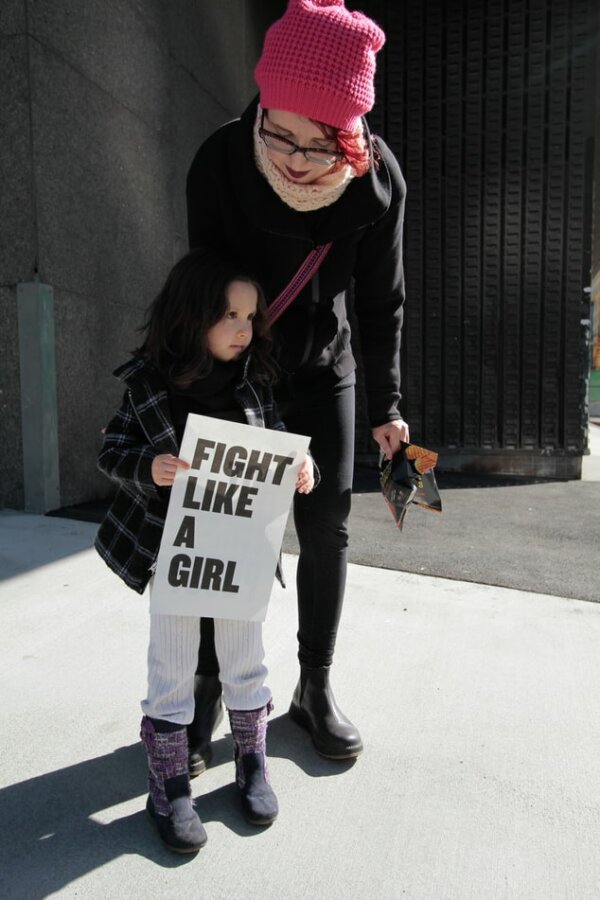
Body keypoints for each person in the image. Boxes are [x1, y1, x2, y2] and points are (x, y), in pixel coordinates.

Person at [185, 0, 409, 766]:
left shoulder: (378, 185)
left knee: (327, 525)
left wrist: (389, 407)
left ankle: (314, 685)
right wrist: (209, 396)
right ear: (262, 104)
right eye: (279, 131)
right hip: (239, 369)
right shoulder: (220, 162)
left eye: (320, 143)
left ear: (352, 136)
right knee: (226, 529)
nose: (293, 156)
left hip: (324, 367)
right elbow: (202, 292)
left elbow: (382, 302)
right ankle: (208, 684)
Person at [94, 249, 315, 853]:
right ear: (192, 317)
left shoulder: (255, 381)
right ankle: (167, 783)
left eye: (251, 317)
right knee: (172, 666)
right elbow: (109, 452)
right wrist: (150, 465)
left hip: (243, 547)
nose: (245, 329)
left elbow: (276, 445)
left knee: (246, 659)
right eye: (229, 316)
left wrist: (302, 465)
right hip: (175, 549)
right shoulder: (146, 385)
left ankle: (251, 763)